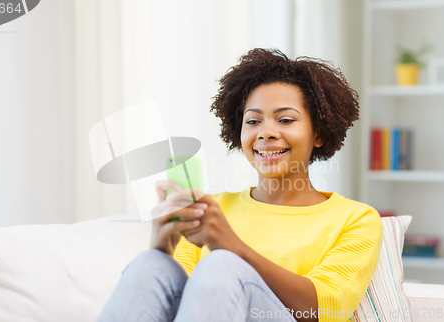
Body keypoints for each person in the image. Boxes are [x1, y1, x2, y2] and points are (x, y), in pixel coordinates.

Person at [97, 48, 384, 322]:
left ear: (318, 133)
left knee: (221, 263)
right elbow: (184, 300)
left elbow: (326, 308)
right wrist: (161, 248)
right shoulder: (213, 209)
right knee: (150, 264)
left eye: (285, 120)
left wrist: (232, 247)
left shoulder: (356, 219)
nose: (266, 133)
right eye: (253, 121)